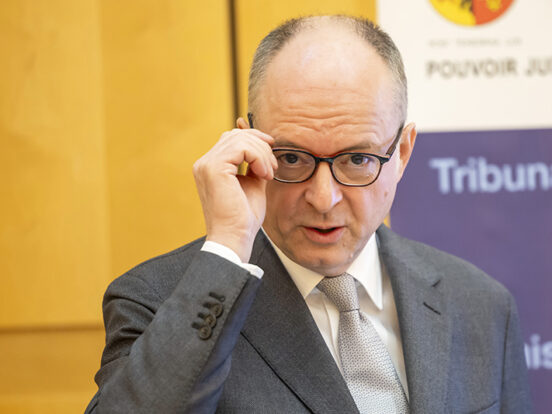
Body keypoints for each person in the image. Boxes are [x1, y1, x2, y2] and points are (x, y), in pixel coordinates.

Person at [85, 15, 533, 413]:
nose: (323, 198)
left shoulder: (480, 306)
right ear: (248, 145)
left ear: (402, 153)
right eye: (292, 158)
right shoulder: (157, 300)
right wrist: (227, 247)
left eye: (357, 159)